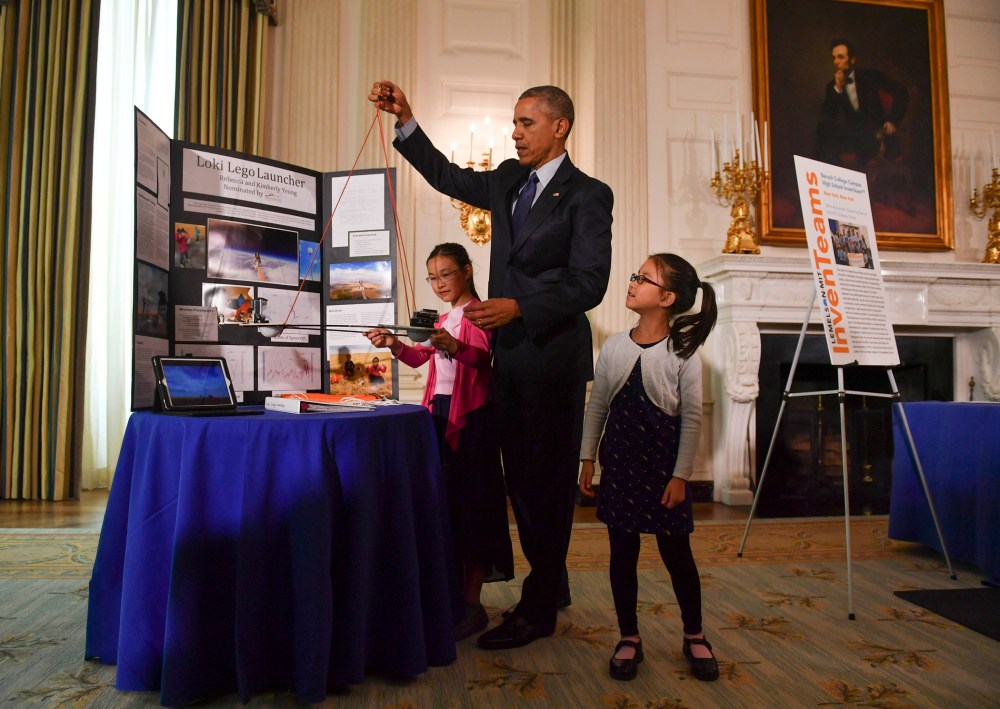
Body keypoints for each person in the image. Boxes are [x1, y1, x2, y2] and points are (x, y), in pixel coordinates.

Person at [370, 80, 613, 649]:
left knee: (544, 485)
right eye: (514, 122)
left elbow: (590, 283)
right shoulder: (508, 177)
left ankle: (539, 608)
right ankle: (550, 582)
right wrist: (407, 119)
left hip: (553, 360)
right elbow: (449, 176)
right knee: (521, 484)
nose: (515, 132)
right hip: (507, 362)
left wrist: (519, 306)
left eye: (527, 122)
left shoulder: (588, 195)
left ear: (560, 127)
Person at [579, 253, 720, 683]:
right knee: (622, 552)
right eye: (635, 275)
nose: (633, 281)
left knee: (677, 553)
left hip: (663, 472)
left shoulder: (684, 351)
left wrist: (681, 476)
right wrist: (587, 457)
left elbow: (692, 418)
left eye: (644, 277)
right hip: (619, 465)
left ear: (667, 297)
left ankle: (694, 633)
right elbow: (598, 405)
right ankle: (629, 636)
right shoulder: (615, 347)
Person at [365, 242, 514, 640]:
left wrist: (454, 345)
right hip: (439, 412)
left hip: (473, 417)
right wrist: (394, 344)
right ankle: (451, 597)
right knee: (446, 505)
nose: (438, 283)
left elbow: (483, 362)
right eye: (432, 277)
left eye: (445, 274)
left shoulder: (480, 313)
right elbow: (419, 358)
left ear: (467, 271)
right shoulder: (442, 318)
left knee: (474, 507)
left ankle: (472, 603)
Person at [815, 39, 909, 169]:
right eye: (834, 58)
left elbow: (901, 92)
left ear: (852, 59)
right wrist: (838, 89)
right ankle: (826, 179)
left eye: (840, 57)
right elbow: (828, 116)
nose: (836, 62)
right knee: (822, 130)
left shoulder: (870, 76)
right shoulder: (832, 86)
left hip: (876, 134)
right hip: (852, 137)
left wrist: (892, 120)